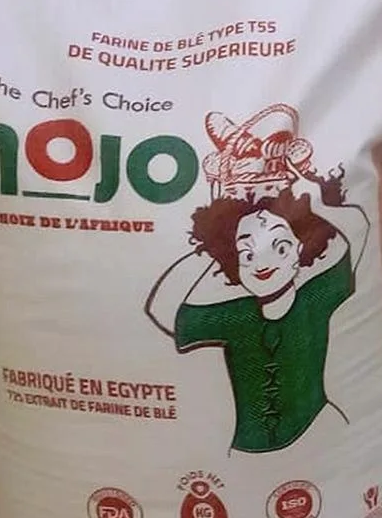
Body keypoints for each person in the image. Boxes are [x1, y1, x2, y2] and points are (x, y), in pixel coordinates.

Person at [145, 167, 369, 454]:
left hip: (319, 430)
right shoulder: (236, 317)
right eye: (247, 254)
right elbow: (162, 308)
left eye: (281, 247)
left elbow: (359, 233)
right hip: (246, 451)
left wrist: (319, 206)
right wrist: (209, 248)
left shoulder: (314, 298)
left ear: (300, 249)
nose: (262, 264)